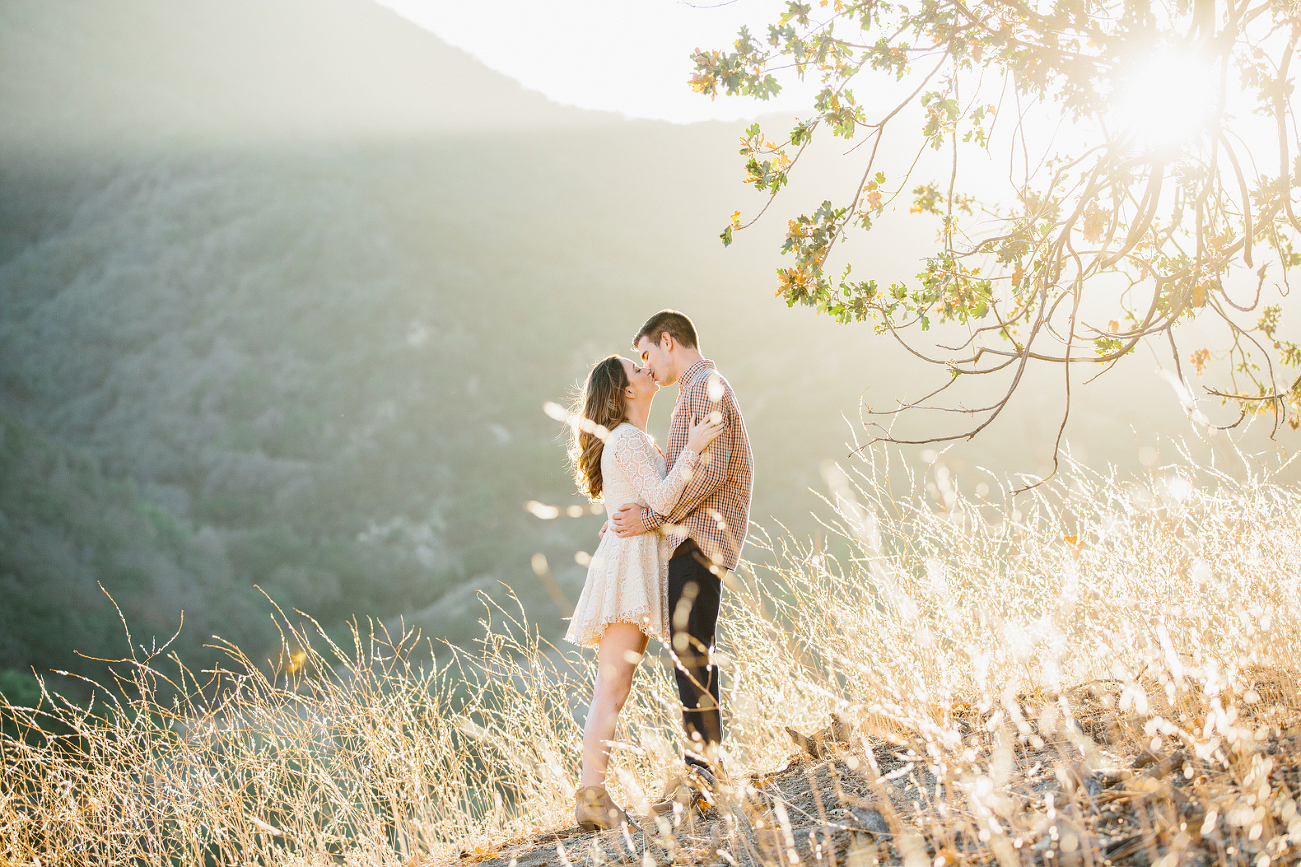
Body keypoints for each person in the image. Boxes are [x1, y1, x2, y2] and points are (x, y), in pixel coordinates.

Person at [564, 354, 724, 832]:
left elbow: (639, 500)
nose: (645, 370)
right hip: (626, 572)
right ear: (626, 391)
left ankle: (594, 792)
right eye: (636, 368)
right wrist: (694, 448)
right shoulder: (629, 439)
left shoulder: (635, 439)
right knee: (611, 688)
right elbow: (663, 500)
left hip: (630, 564)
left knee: (616, 687)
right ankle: (591, 794)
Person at [611, 309, 753, 817]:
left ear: (668, 341)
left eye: (647, 353)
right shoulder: (701, 387)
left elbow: (702, 477)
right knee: (692, 648)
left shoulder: (700, 389)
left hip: (700, 536)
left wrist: (648, 515)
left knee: (690, 649)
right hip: (701, 535)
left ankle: (703, 774)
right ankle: (705, 768)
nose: (647, 366)